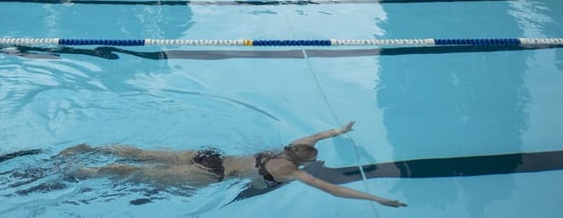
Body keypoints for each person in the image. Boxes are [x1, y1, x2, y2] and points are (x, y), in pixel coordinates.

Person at [62, 120, 406, 208]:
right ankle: (88, 171)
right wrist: (377, 199)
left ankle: (92, 148)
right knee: (139, 174)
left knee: (142, 153)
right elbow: (332, 191)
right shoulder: (291, 172)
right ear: (303, 160)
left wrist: (340, 130)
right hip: (211, 173)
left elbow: (316, 137)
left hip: (204, 155)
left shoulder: (288, 150)